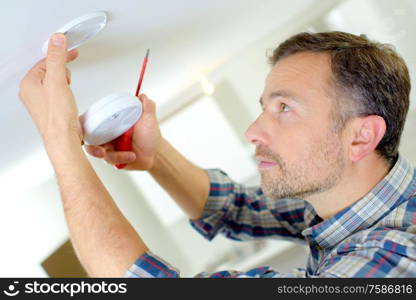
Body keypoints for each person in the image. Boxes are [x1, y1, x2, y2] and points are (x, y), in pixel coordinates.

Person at [19, 31, 416, 278]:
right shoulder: (348, 198)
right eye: (265, 107)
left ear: (361, 137)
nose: (253, 131)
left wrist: (59, 139)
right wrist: (157, 158)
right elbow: (237, 208)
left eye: (285, 108)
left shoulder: (395, 259)